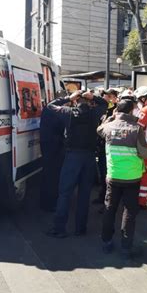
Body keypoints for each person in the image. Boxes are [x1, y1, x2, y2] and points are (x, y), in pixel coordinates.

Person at [46, 90, 107, 237]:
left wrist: (68, 97)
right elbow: (104, 103)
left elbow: (50, 106)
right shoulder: (94, 113)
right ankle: (80, 228)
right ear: (89, 102)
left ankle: (59, 228)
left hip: (73, 156)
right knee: (84, 194)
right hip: (89, 157)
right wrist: (94, 97)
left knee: (65, 193)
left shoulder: (68, 112)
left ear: (75, 101)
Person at [98, 100, 147, 259]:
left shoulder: (108, 127)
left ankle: (106, 242)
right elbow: (145, 153)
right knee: (129, 212)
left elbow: (99, 129)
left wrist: (111, 118)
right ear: (131, 111)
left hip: (113, 176)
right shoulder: (137, 128)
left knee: (110, 208)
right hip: (132, 178)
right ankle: (126, 247)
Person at [94, 89, 119, 206]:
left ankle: (108, 198)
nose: (105, 98)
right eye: (104, 96)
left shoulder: (116, 110)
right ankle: (103, 195)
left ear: (113, 98)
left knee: (108, 173)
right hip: (101, 144)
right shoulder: (101, 109)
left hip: (110, 144)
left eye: (108, 96)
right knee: (103, 172)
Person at [39, 103, 65, 212]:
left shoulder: (47, 111)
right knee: (54, 177)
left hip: (47, 147)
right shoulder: (59, 114)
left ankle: (45, 202)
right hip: (55, 148)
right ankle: (51, 204)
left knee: (47, 176)